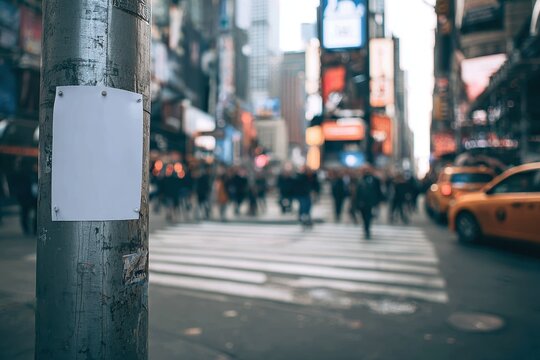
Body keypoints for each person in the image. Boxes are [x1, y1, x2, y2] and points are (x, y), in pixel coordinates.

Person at [355, 167, 383, 239]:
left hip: (370, 202)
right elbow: (357, 192)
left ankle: (367, 229)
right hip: (362, 202)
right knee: (364, 216)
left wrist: (378, 201)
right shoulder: (360, 180)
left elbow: (378, 191)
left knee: (368, 216)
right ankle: (366, 227)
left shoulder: (375, 180)